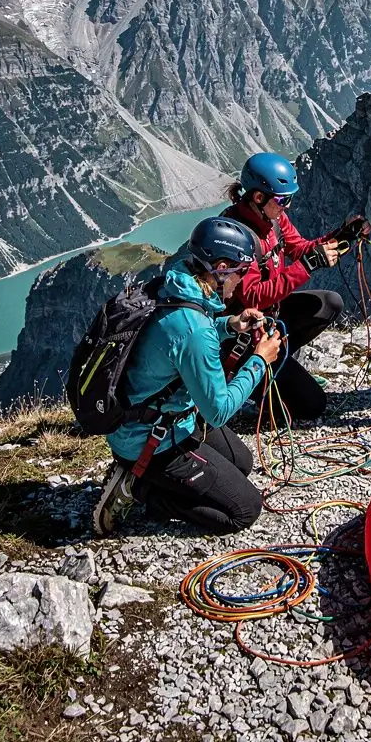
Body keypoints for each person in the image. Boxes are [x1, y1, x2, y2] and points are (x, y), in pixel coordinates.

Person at [93, 216, 279, 537]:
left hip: (150, 421)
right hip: (151, 440)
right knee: (244, 509)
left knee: (242, 463)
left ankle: (146, 475)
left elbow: (180, 340)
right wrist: (259, 361)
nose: (241, 280)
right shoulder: (193, 328)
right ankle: (141, 490)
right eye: (240, 271)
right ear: (221, 267)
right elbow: (217, 410)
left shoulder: (175, 284)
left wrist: (229, 324)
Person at [222, 152, 344, 423]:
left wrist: (340, 237)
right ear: (257, 197)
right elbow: (253, 296)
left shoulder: (273, 219)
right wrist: (308, 266)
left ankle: (280, 361)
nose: (287, 206)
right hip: (243, 338)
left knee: (329, 303)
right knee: (312, 406)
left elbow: (299, 247)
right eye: (282, 200)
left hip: (270, 321)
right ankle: (256, 383)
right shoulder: (236, 237)